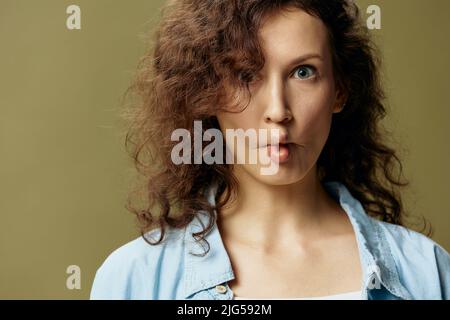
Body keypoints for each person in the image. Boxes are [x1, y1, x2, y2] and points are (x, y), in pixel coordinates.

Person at [90, 0, 450, 300]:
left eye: (304, 72)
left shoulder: (427, 273)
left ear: (339, 90)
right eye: (246, 75)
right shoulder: (134, 280)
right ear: (207, 92)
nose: (278, 111)